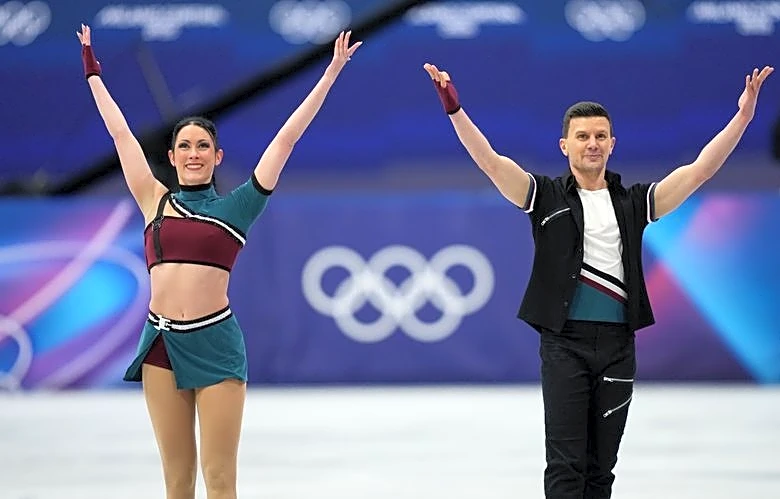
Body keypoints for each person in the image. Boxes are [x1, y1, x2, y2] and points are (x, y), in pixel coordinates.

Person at [422, 62, 773, 499]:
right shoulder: (543, 196)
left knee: (601, 469)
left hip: (617, 349)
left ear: (612, 144)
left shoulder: (634, 201)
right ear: (564, 145)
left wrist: (743, 117)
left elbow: (699, 170)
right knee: (566, 465)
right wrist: (455, 109)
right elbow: (491, 163)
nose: (592, 144)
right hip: (564, 345)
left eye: (600, 136)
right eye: (583, 137)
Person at [76, 23, 361, 499]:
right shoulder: (154, 199)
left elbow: (286, 139)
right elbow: (121, 134)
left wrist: (330, 73)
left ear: (216, 155)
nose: (193, 153)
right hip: (161, 345)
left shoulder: (238, 207)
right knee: (177, 481)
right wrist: (93, 75)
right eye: (184, 146)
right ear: (170, 155)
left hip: (216, 344)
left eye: (202, 145)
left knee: (221, 478)